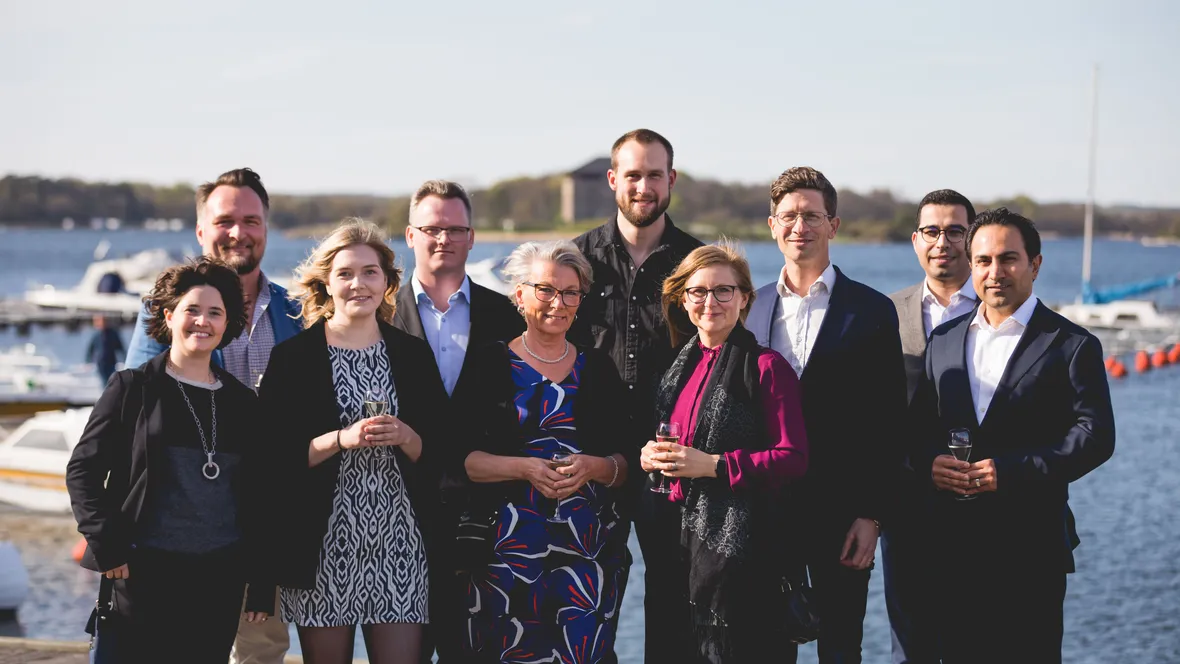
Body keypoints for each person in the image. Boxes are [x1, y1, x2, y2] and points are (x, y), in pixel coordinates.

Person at [915, 207, 1115, 663]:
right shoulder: (943, 340)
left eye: (1008, 259)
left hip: (1032, 547)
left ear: (1035, 265)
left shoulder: (1073, 344)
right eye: (983, 261)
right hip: (952, 546)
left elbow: (1096, 435)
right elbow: (918, 427)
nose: (994, 272)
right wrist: (929, 462)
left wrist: (1013, 471)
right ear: (971, 265)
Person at [124, 167, 300, 664]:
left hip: (267, 521)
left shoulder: (300, 313)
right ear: (201, 230)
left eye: (251, 220)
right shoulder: (163, 312)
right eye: (225, 220)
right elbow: (137, 409)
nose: (238, 232)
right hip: (184, 526)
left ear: (266, 227)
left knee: (260, 652)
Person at [66, 257, 273, 663]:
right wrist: (107, 545)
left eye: (215, 313)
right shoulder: (132, 388)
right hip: (142, 575)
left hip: (219, 581)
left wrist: (262, 580)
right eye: (192, 310)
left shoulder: (244, 403)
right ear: (169, 315)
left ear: (227, 323)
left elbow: (260, 496)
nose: (202, 321)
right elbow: (83, 471)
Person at [258, 219, 447, 664]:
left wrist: (406, 435)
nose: (358, 284)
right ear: (326, 281)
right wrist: (340, 439)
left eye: (370, 272)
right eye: (345, 273)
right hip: (320, 546)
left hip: (401, 543)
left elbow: (442, 454)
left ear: (387, 283)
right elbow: (272, 461)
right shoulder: (293, 359)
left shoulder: (413, 354)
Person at [744, 167, 907, 663]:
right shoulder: (751, 307)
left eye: (812, 216)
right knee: (768, 646)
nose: (800, 226)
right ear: (772, 225)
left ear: (833, 225)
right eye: (789, 216)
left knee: (841, 648)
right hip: (765, 510)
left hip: (843, 513)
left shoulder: (873, 310)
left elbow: (889, 422)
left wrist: (873, 514)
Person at [458, 240, 638, 664]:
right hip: (505, 555)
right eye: (546, 290)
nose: (558, 303)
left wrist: (596, 467)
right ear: (520, 295)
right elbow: (462, 461)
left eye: (571, 293)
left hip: (587, 555)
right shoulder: (489, 362)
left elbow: (627, 463)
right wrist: (524, 469)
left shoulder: (598, 368)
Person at [640, 243, 809, 663]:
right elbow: (671, 439)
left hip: (744, 557)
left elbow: (793, 457)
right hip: (676, 548)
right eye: (698, 291)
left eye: (723, 291)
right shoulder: (680, 365)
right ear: (684, 300)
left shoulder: (767, 368)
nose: (709, 301)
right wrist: (649, 455)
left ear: (745, 299)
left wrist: (715, 466)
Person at [571, 128, 703, 664]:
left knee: (673, 601)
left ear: (670, 180)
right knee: (582, 598)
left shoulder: (697, 263)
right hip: (591, 454)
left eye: (654, 175)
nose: (643, 186)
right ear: (612, 180)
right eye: (633, 175)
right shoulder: (575, 260)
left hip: (670, 459)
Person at [392, 179, 524, 663]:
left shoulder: (505, 316)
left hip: (484, 517)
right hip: (396, 513)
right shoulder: (381, 315)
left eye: (455, 229)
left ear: (472, 237)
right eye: (432, 228)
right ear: (410, 235)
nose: (443, 238)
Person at [885, 188, 977, 663]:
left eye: (955, 230)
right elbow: (872, 414)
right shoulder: (884, 313)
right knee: (911, 647)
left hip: (987, 510)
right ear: (916, 240)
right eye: (931, 231)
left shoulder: (999, 309)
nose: (943, 241)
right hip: (908, 509)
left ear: (972, 237)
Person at [85, 315, 125, 384]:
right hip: (101, 362)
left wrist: (125, 358)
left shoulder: (113, 333)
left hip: (111, 361)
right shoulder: (96, 335)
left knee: (111, 380)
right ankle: (106, 392)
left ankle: (110, 392)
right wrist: (88, 360)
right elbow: (90, 349)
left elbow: (120, 347)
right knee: (104, 381)